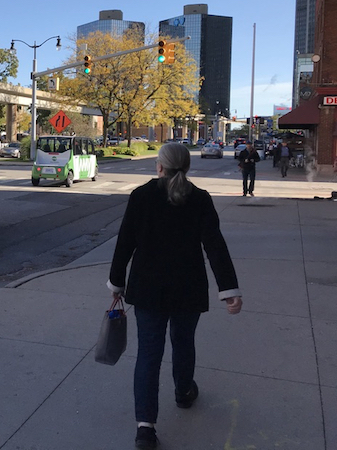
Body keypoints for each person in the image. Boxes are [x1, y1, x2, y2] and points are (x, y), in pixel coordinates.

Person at [107, 142, 242, 449]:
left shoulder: (141, 196)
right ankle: (183, 391)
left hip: (148, 289)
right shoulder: (201, 199)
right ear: (187, 167)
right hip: (187, 287)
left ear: (159, 166)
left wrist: (117, 281)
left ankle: (145, 428)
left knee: (148, 355)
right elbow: (215, 246)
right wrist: (229, 289)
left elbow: (124, 242)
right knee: (183, 342)